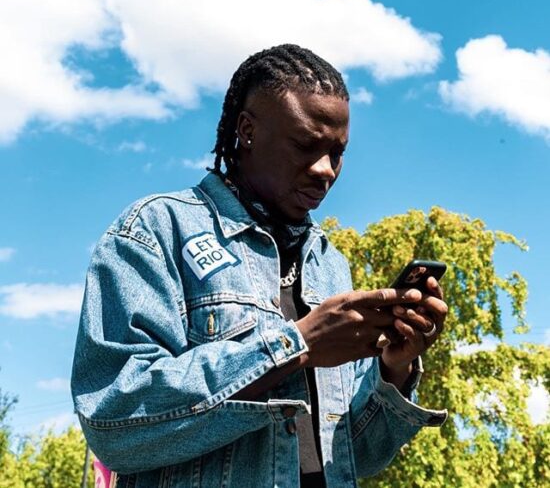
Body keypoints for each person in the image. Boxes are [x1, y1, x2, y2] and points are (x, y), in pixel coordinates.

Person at [71, 44, 448, 488]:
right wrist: (296, 345)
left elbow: (355, 456)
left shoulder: (328, 263)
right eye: (306, 145)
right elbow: (114, 424)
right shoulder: (156, 230)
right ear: (247, 131)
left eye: (338, 153)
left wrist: (394, 370)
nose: (326, 170)